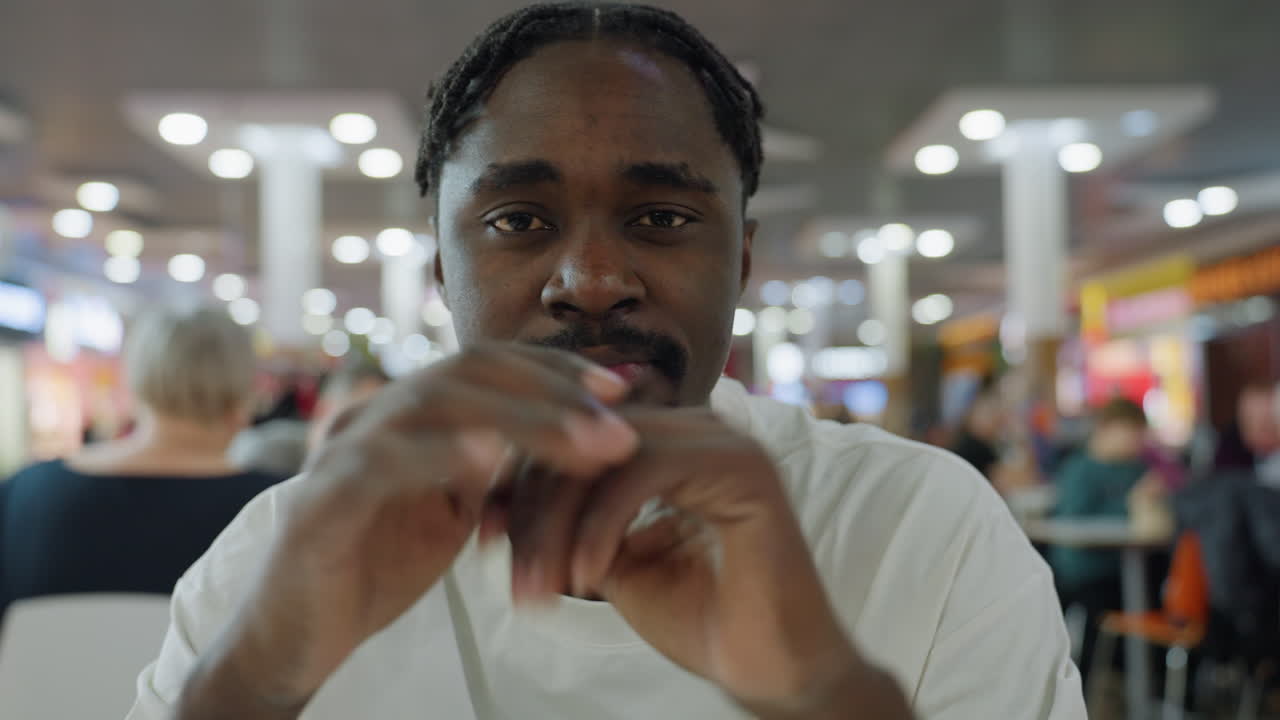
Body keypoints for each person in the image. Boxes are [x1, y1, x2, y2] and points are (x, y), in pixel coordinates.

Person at [130, 5, 1084, 719]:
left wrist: (828, 688)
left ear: (740, 262)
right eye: (518, 222)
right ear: (441, 271)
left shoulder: (926, 530)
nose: (589, 280)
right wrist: (256, 677)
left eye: (661, 218)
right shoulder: (285, 553)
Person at [0, 308, 282, 617]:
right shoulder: (277, 509)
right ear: (244, 391)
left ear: (135, 378)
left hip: (40, 666)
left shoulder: (25, 492)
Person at [1048, 397, 1153, 685]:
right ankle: (1106, 683)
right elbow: (1075, 521)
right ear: (1106, 429)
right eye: (1131, 433)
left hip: (1126, 568)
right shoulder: (1080, 469)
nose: (1137, 442)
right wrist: (1133, 505)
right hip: (1085, 569)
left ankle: (1139, 685)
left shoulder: (1136, 468)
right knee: (1112, 603)